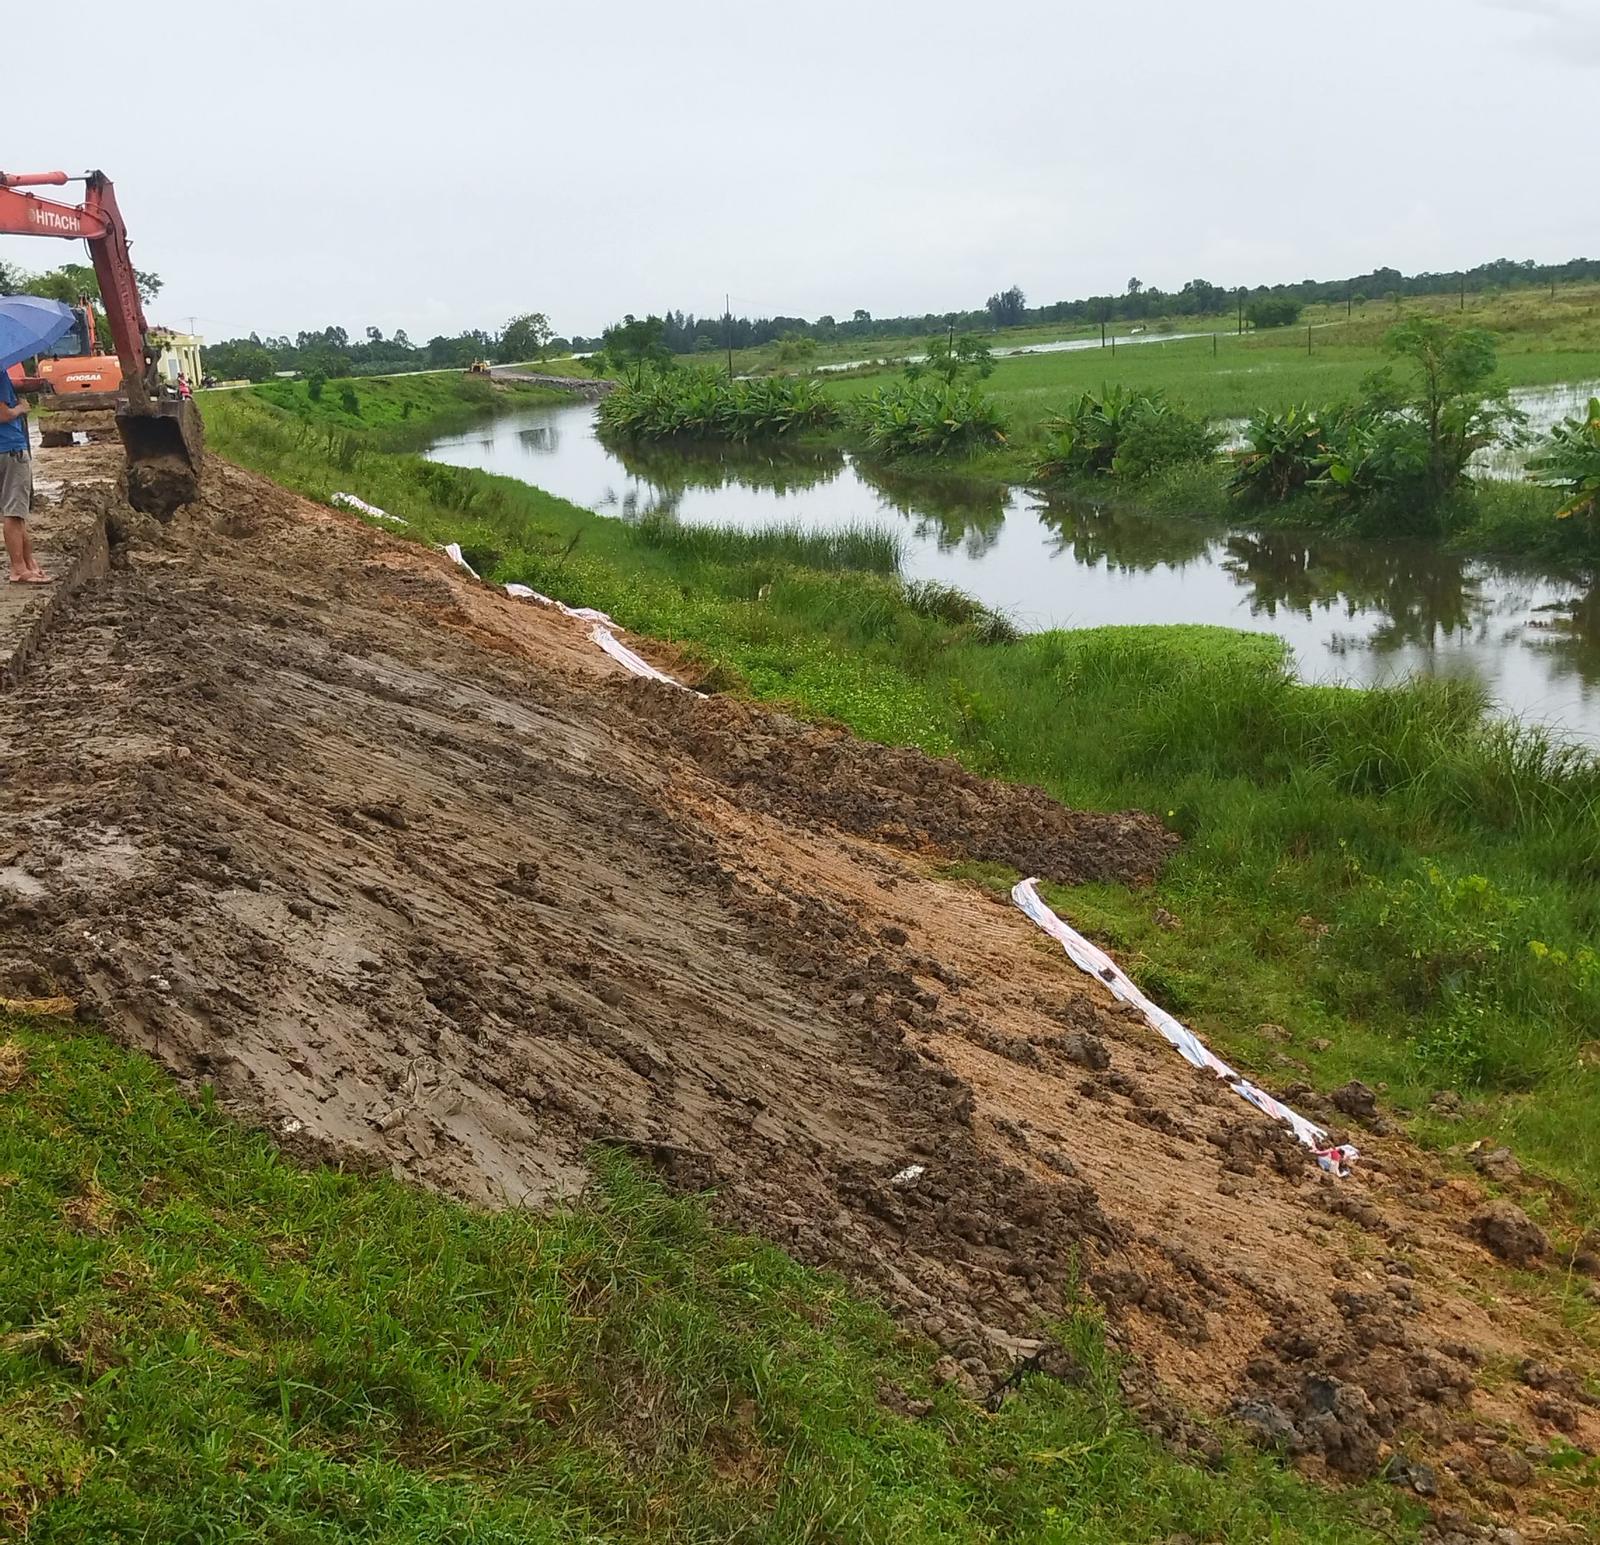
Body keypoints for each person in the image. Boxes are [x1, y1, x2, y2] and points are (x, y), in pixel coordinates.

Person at [0, 370, 49, 585]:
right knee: (13, 512)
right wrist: (21, 407)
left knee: (16, 512)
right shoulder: (0, 374)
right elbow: (3, 414)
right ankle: (19, 568)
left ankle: (28, 563)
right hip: (10, 449)